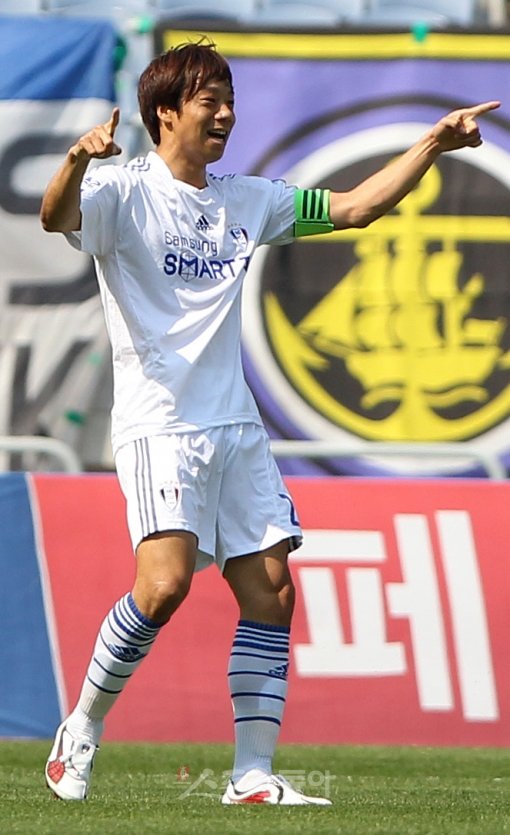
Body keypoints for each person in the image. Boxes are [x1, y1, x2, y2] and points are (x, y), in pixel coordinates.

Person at [40, 39, 499, 806]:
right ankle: (81, 727)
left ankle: (251, 773)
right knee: (164, 586)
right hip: (161, 426)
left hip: (236, 428)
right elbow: (56, 216)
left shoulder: (246, 200)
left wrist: (432, 143)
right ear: (165, 113)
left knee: (272, 590)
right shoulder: (121, 191)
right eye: (209, 101)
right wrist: (77, 161)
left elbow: (357, 207)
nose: (226, 114)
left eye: (229, 101)